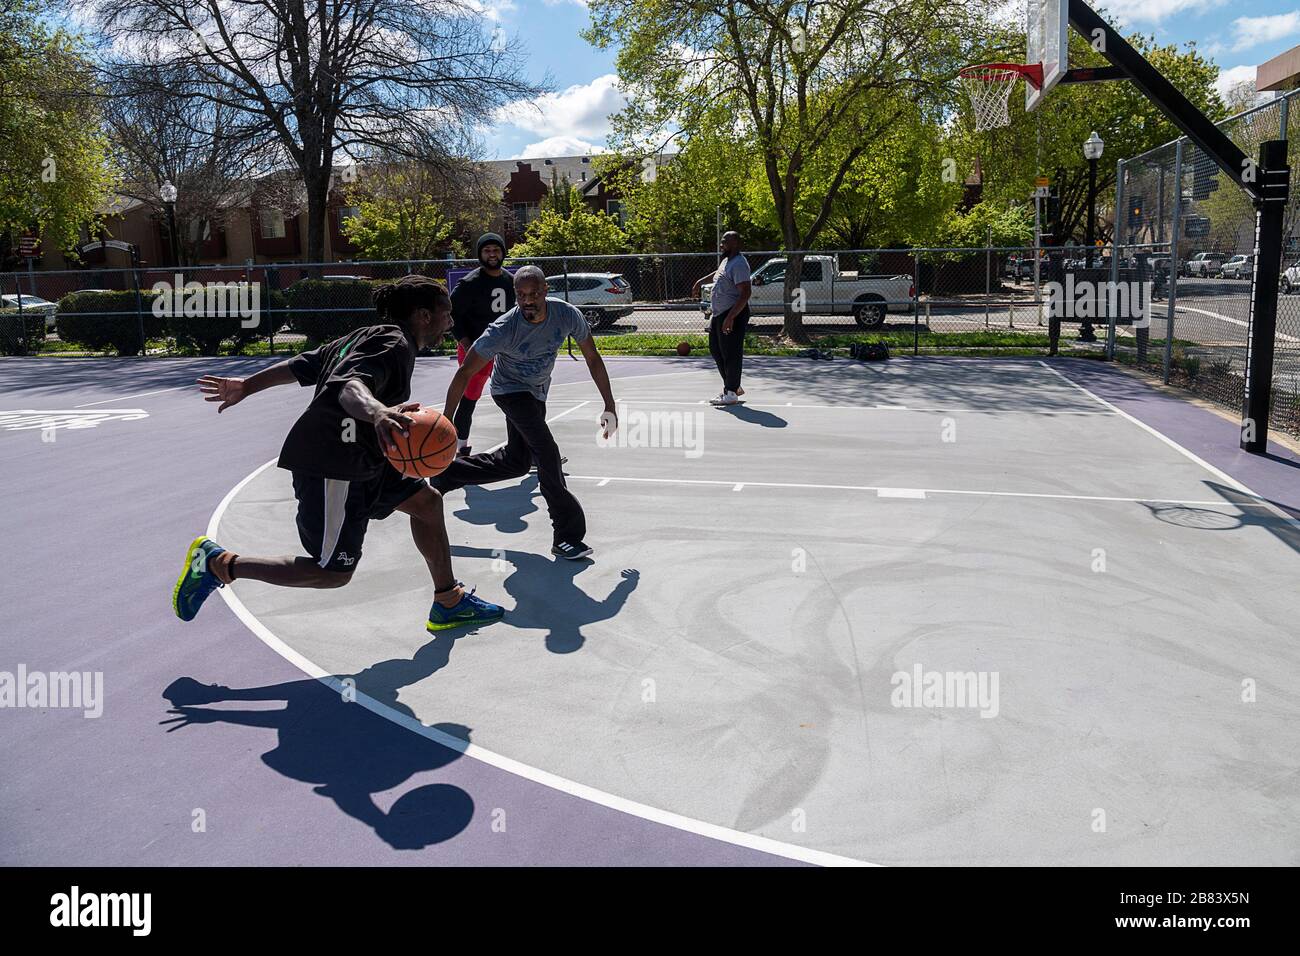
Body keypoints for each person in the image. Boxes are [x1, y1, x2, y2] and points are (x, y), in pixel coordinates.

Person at [174, 274, 505, 632]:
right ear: (424, 316)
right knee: (331, 572)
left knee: (427, 503)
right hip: (335, 463)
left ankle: (448, 601)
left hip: (366, 456)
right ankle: (219, 563)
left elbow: (301, 365)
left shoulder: (366, 336)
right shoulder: (393, 344)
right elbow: (351, 386)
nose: (451, 322)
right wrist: (377, 411)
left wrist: (248, 385)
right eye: (447, 313)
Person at [429, 265, 617, 561]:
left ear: (545, 291)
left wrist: (609, 405)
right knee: (545, 450)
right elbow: (465, 373)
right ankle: (566, 535)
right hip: (509, 391)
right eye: (521, 295)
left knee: (517, 462)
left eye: (534, 294)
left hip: (537, 392)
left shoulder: (567, 315)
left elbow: (592, 358)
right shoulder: (504, 329)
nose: (528, 300)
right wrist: (448, 421)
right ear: (515, 295)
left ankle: (446, 475)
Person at [449, 233, 514, 457]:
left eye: (496, 250)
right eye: (487, 251)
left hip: (504, 350)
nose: (492, 254)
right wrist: (467, 344)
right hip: (477, 349)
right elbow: (451, 315)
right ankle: (459, 449)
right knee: (469, 399)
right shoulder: (469, 283)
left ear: (503, 252)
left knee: (516, 397)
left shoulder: (510, 280)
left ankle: (524, 448)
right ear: (480, 254)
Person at [692, 230, 752, 405]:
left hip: (733, 313)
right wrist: (700, 281)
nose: (721, 245)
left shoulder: (739, 264)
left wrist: (731, 317)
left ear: (735, 243)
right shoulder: (727, 261)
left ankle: (731, 392)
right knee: (716, 350)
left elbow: (746, 293)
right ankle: (734, 386)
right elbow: (717, 274)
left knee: (730, 353)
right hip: (720, 313)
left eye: (725, 242)